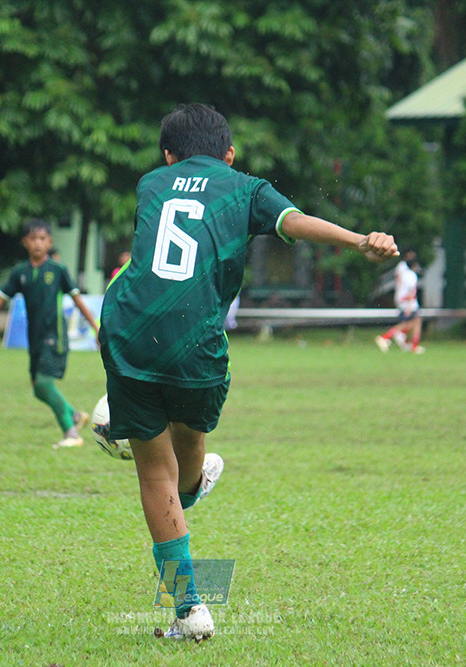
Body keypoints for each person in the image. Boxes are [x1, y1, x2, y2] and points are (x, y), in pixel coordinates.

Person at [97, 103, 398, 641]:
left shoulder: (151, 184)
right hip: (196, 344)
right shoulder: (247, 188)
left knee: (160, 478)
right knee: (182, 470)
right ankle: (192, 513)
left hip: (128, 333)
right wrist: (359, 240)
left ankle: (189, 610)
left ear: (167, 156)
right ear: (230, 154)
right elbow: (295, 222)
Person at [0, 219, 99, 449]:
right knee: (37, 388)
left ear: (50, 242)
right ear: (25, 242)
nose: (38, 243)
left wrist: (96, 328)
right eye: (33, 238)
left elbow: (78, 300)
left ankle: (71, 433)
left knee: (44, 383)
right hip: (34, 337)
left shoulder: (58, 270)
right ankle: (74, 415)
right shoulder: (20, 272)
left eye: (42, 239)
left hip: (54, 335)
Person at [374, 249, 424, 354]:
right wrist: (409, 306)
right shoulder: (411, 275)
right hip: (408, 302)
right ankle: (387, 336)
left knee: (415, 322)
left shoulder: (403, 271)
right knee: (411, 323)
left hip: (401, 299)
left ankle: (411, 344)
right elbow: (411, 291)